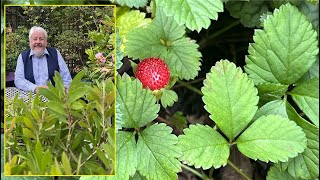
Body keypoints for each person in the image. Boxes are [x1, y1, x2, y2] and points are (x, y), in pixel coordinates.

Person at [14, 26, 72, 93]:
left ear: (46, 41)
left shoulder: (55, 53)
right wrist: (36, 88)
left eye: (41, 39)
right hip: (31, 97)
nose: (38, 42)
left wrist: (64, 91)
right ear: (30, 41)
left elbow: (66, 77)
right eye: (35, 39)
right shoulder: (23, 57)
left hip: (54, 96)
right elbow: (18, 80)